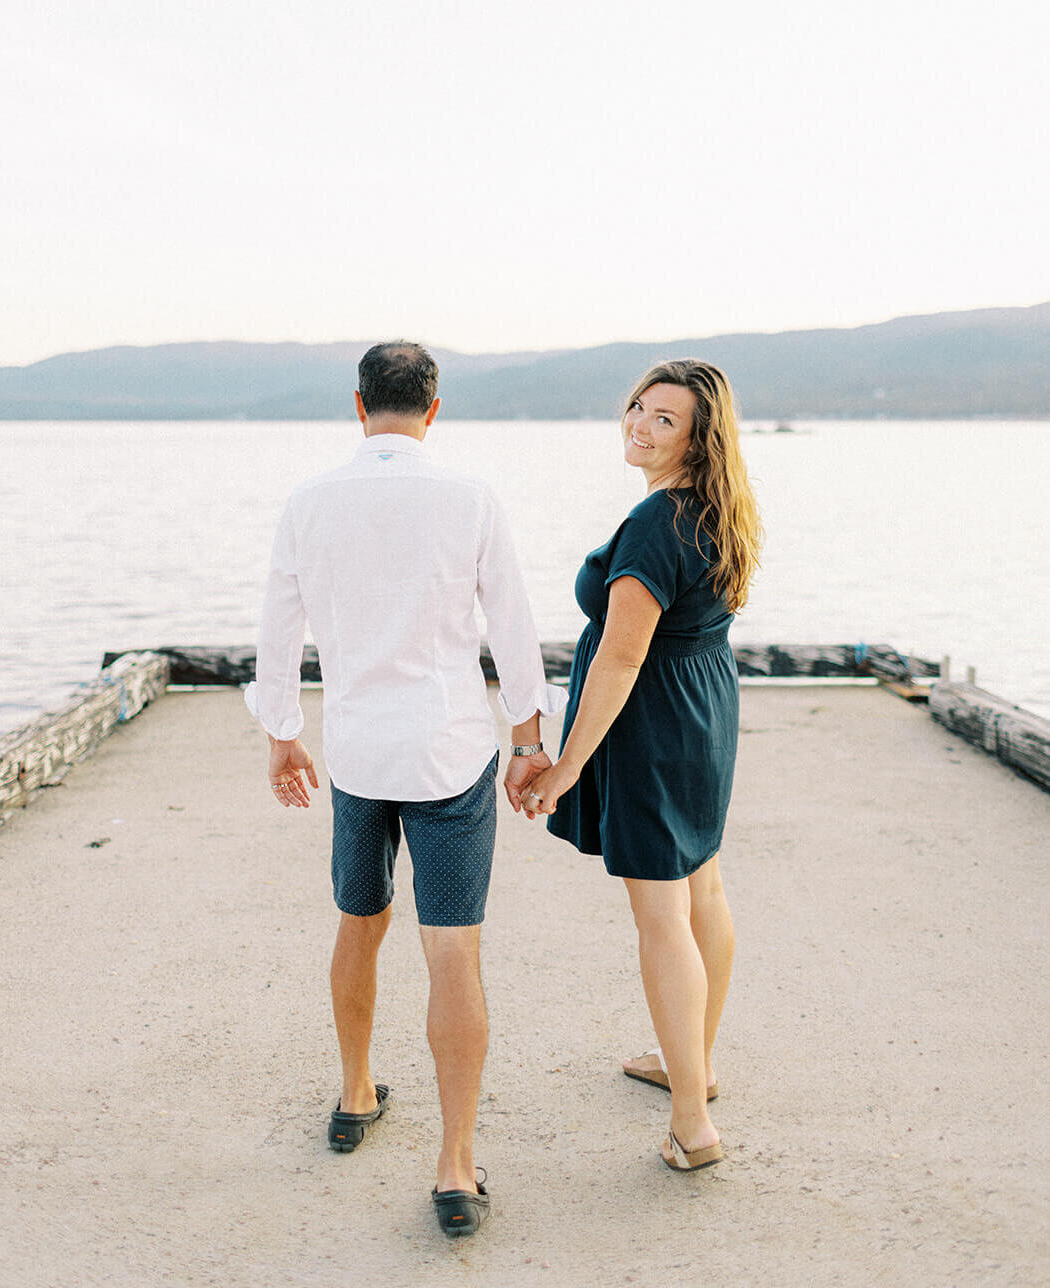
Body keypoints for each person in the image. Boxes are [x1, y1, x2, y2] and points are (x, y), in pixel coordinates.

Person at [245, 341, 565, 1237]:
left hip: (355, 755)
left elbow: (277, 632)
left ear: (358, 406)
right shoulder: (468, 498)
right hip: (449, 752)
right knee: (452, 950)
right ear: (434, 408)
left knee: (359, 920)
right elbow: (512, 626)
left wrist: (282, 737)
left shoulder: (308, 504)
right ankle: (455, 1168)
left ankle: (354, 1096)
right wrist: (527, 739)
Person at [516, 359, 761, 1173]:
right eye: (636, 408)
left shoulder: (658, 522)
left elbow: (620, 662)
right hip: (704, 709)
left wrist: (563, 769)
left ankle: (691, 1123)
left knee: (662, 913)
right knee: (703, 890)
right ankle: (693, 1063)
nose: (639, 425)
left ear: (698, 436)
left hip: (655, 723)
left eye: (664, 419)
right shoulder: (716, 510)